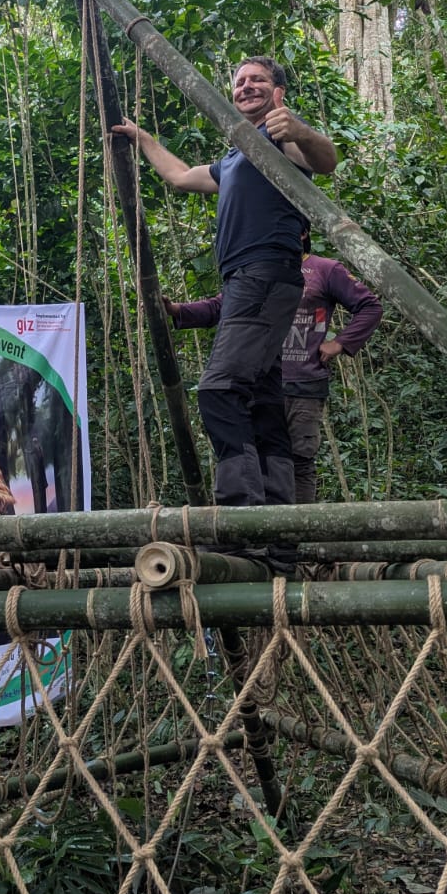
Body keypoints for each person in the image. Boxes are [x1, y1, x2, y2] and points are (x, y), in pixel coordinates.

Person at [112, 58, 337, 562]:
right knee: (260, 403)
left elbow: (325, 160)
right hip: (243, 282)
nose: (246, 86)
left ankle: (240, 522)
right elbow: (178, 176)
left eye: (257, 79)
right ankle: (279, 536)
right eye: (238, 81)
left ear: (277, 92)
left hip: (265, 272)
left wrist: (297, 126)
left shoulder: (281, 139)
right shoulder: (236, 156)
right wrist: (142, 137)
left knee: (219, 391)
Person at [164, 247, 383, 504]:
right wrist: (176, 309)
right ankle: (260, 530)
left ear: (300, 232)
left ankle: (295, 534)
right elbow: (221, 307)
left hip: (302, 383)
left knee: (299, 460)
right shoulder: (256, 268)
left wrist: (340, 343)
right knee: (256, 458)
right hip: (258, 382)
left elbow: (370, 306)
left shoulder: (325, 269)